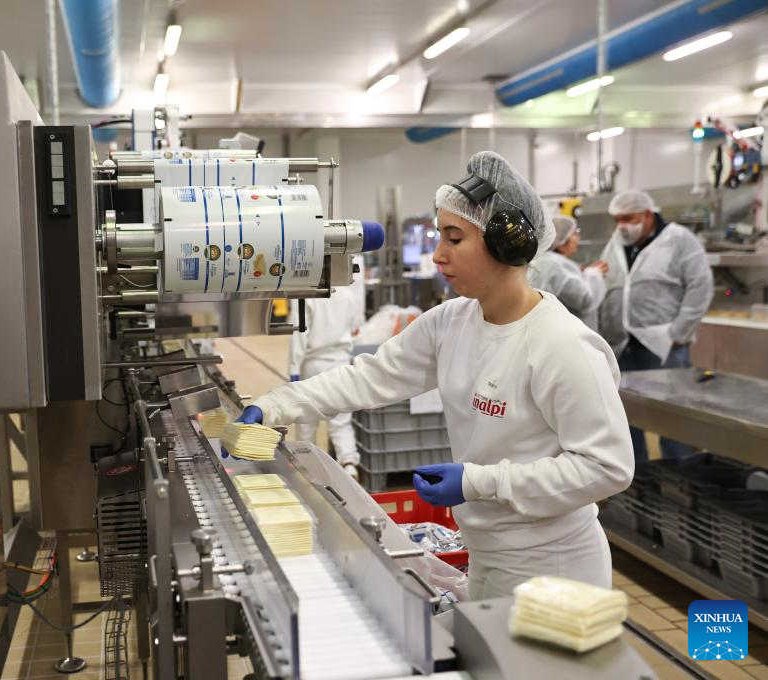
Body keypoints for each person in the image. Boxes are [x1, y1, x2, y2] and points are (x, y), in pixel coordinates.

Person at [236, 151, 634, 599]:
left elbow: (608, 467)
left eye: (454, 238)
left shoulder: (561, 344)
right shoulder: (452, 322)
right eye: (439, 236)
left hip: (554, 570)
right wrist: (276, 404)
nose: (438, 255)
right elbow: (369, 377)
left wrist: (477, 481)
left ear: (507, 244)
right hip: (486, 554)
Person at [597, 190, 713, 462]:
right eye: (617, 219)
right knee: (627, 414)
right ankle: (637, 474)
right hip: (622, 344)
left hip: (663, 343)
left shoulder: (679, 239)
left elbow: (700, 285)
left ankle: (679, 473)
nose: (622, 226)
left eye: (628, 218)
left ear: (648, 215)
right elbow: (607, 279)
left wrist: (678, 332)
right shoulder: (617, 242)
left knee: (673, 414)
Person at [287, 285, 362, 479]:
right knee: (341, 420)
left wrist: (293, 369)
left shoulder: (305, 293)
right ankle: (349, 463)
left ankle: (307, 466)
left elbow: (299, 333)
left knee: (307, 420)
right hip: (341, 362)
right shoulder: (348, 293)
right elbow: (355, 327)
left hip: (313, 364)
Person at [527, 215, 608, 331]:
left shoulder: (544, 261)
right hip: (570, 333)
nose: (578, 238)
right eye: (574, 233)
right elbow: (585, 299)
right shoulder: (556, 265)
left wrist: (584, 273)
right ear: (561, 243)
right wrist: (594, 274)